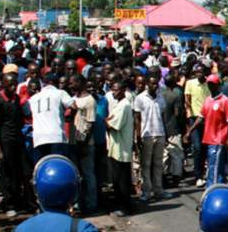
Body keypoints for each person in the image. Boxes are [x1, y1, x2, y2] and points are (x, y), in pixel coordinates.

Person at [0, 72, 28, 215]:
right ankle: (9, 204)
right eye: (10, 84)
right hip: (5, 140)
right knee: (7, 172)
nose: (13, 87)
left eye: (14, 84)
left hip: (18, 140)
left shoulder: (17, 98)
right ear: (4, 84)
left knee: (20, 171)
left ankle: (19, 201)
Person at [134, 74, 169, 202]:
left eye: (156, 84)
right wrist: (138, 136)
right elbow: (137, 118)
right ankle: (147, 191)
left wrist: (166, 133)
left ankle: (159, 190)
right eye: (152, 84)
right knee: (146, 164)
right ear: (147, 84)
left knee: (158, 164)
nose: (155, 86)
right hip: (146, 135)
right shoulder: (140, 98)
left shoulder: (161, 98)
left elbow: (163, 117)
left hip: (160, 133)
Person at [29, 72, 75, 163]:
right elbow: (73, 106)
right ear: (55, 83)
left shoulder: (33, 98)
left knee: (43, 165)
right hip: (56, 136)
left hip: (39, 138)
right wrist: (69, 117)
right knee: (58, 164)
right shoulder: (60, 93)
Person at [105, 80, 135, 217]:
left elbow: (112, 124)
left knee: (121, 180)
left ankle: (125, 207)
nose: (113, 93)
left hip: (121, 149)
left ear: (123, 90)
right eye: (112, 90)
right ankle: (122, 205)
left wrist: (106, 121)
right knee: (118, 179)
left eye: (116, 90)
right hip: (117, 146)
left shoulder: (124, 106)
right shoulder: (120, 105)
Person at [69, 75, 98, 213]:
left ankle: (92, 203)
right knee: (77, 175)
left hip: (85, 144)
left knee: (88, 174)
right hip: (75, 142)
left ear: (80, 83)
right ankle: (78, 202)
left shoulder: (89, 100)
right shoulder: (74, 99)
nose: (70, 85)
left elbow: (91, 123)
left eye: (73, 82)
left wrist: (84, 143)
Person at [201, 74, 228, 186]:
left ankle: (212, 187)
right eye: (209, 84)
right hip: (209, 138)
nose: (210, 86)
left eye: (213, 84)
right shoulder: (207, 100)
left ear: (218, 85)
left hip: (219, 138)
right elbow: (201, 117)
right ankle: (220, 186)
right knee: (216, 164)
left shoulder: (225, 100)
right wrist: (189, 131)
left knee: (214, 165)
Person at [184, 66, 211, 187]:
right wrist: (190, 115)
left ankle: (205, 171)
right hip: (194, 118)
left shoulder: (208, 85)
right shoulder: (190, 83)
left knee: (205, 147)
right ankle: (198, 175)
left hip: (207, 119)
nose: (199, 74)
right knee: (197, 147)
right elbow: (187, 100)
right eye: (197, 72)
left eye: (201, 72)